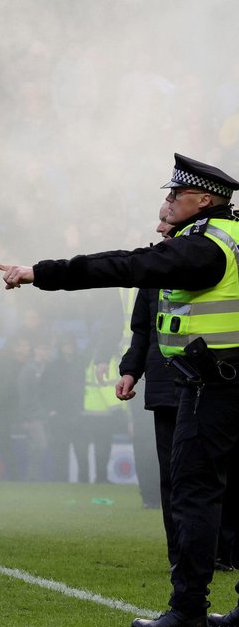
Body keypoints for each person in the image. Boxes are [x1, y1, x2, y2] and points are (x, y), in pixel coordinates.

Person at [0, 153, 239, 627]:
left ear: (203, 200)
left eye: (174, 194)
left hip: (213, 386)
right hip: (229, 380)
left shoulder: (204, 247)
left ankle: (188, 607)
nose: (166, 201)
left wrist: (39, 272)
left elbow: (123, 265)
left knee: (193, 494)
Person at [118, 220, 181, 565]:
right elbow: (141, 329)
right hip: (164, 384)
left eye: (165, 221)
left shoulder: (213, 257)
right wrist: (130, 370)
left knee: (211, 475)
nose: (158, 228)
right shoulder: (154, 268)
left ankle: (223, 550)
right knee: (172, 475)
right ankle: (180, 553)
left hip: (210, 383)